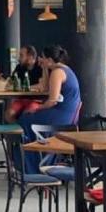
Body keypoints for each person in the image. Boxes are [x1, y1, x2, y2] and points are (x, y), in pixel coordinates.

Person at [19, 45, 82, 173]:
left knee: (25, 120)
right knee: (27, 118)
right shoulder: (62, 69)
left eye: (42, 58)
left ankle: (32, 168)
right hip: (68, 114)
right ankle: (40, 163)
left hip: (62, 115)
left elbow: (52, 101)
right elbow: (45, 87)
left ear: (49, 59)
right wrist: (44, 68)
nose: (40, 60)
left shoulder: (57, 72)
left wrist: (37, 108)